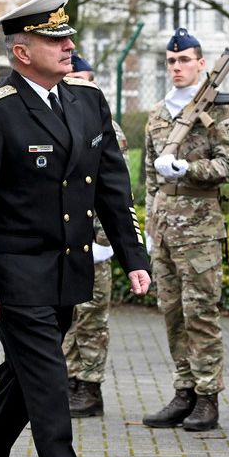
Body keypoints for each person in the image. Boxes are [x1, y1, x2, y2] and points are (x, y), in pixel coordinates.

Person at [0, 0, 150, 457]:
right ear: (21, 52)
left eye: (68, 37)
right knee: (50, 402)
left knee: (14, 399)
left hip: (66, 278)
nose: (67, 46)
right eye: (53, 38)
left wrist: (134, 257)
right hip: (17, 283)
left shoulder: (88, 102)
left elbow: (111, 187)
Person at [141, 27, 229, 432]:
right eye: (171, 61)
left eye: (185, 60)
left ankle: (207, 397)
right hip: (164, 229)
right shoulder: (157, 114)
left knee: (201, 314)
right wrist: (148, 225)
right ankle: (183, 392)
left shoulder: (217, 110)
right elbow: (149, 177)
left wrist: (189, 169)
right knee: (172, 314)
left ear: (201, 63)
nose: (177, 67)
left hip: (200, 231)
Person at [60, 52, 130, 418]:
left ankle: (89, 386)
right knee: (69, 316)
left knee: (91, 317)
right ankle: (70, 380)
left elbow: (114, 193)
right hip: (66, 242)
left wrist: (104, 243)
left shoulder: (107, 128)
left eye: (85, 79)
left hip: (94, 243)